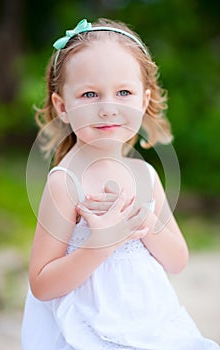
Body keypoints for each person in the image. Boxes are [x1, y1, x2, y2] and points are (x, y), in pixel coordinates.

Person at [21, 18, 219, 350]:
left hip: (148, 321)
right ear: (63, 106)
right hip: (88, 327)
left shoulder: (145, 176)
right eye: (89, 94)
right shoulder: (65, 183)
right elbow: (42, 283)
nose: (108, 107)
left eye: (123, 92)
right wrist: (101, 241)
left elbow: (177, 260)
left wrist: (145, 221)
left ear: (143, 100)